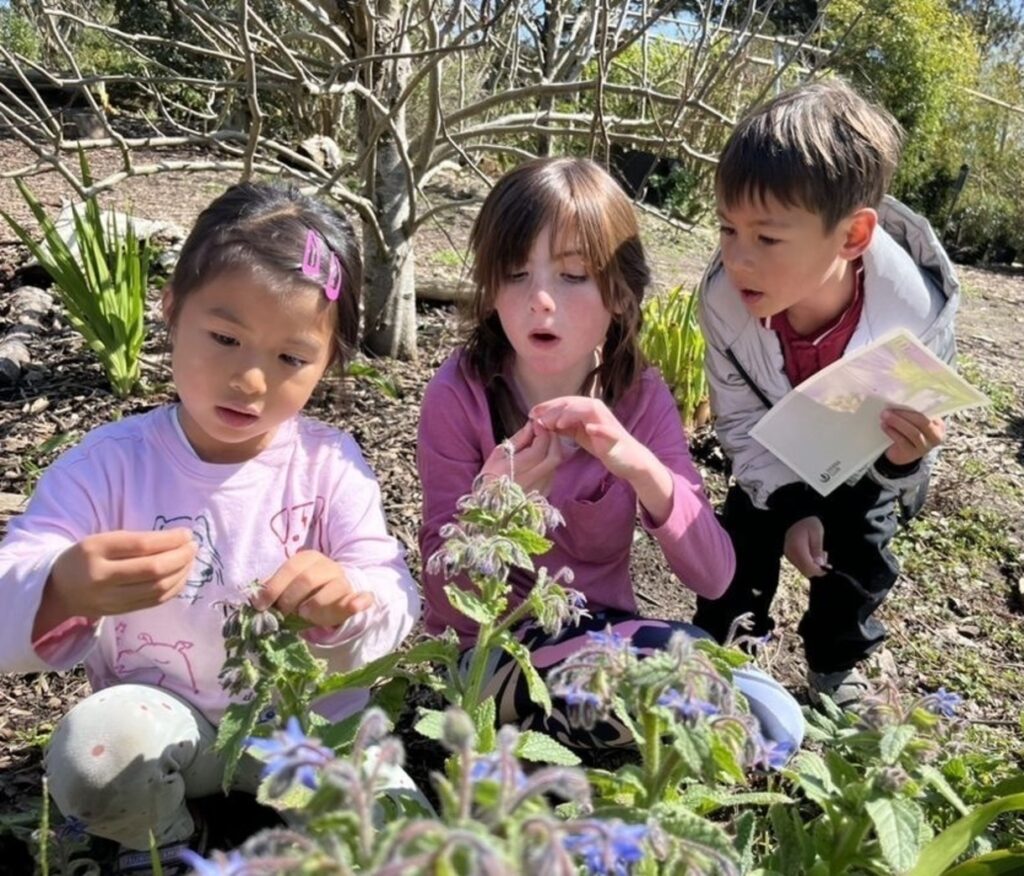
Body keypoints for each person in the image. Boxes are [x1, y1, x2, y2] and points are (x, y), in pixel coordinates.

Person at [0, 183, 420, 871]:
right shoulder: (109, 467)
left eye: (291, 358)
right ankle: (154, 842)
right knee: (93, 753)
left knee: (407, 832)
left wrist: (349, 603)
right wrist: (62, 585)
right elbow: (8, 588)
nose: (251, 380)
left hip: (308, 731)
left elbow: (395, 597)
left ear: (329, 361)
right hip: (171, 733)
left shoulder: (329, 468)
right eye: (225, 338)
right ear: (170, 310)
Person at [417, 157, 804, 753]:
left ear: (620, 294)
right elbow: (447, 601)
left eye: (573, 275)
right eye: (516, 274)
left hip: (606, 632)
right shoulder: (459, 395)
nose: (541, 300)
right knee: (655, 696)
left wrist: (637, 464)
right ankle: (550, 742)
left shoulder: (638, 396)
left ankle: (590, 740)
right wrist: (491, 511)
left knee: (777, 716)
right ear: (491, 289)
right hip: (489, 654)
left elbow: (716, 574)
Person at [691, 80, 959, 707]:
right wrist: (790, 506)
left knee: (862, 542)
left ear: (852, 237)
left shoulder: (916, 315)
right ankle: (727, 648)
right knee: (743, 537)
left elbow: (921, 437)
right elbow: (737, 427)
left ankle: (838, 668)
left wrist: (906, 458)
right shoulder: (725, 307)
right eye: (727, 229)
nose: (737, 259)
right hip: (770, 450)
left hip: (864, 460)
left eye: (767, 238)